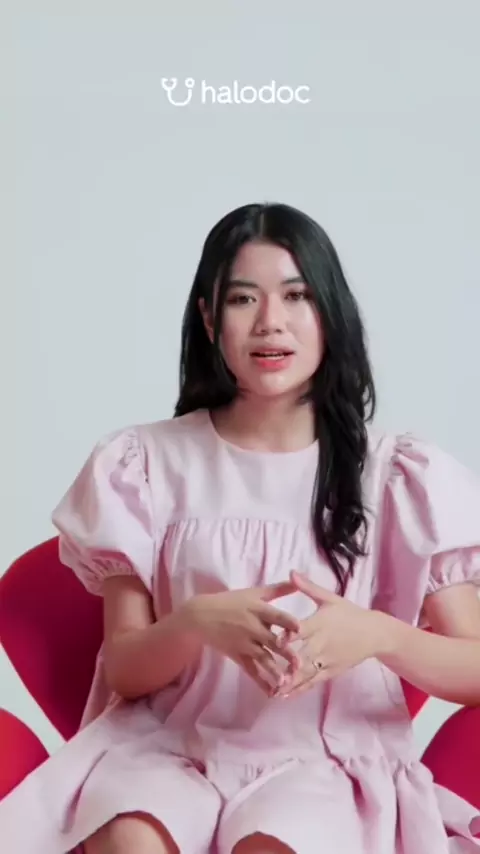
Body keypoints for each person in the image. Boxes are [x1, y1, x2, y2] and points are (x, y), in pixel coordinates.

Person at [1, 201, 480, 854]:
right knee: (133, 836)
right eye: (243, 299)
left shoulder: (397, 474)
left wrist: (379, 635)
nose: (269, 322)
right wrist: (197, 621)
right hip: (166, 750)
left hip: (325, 763)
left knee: (275, 843)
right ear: (209, 318)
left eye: (296, 296)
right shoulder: (141, 463)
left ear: (330, 313)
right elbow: (127, 668)